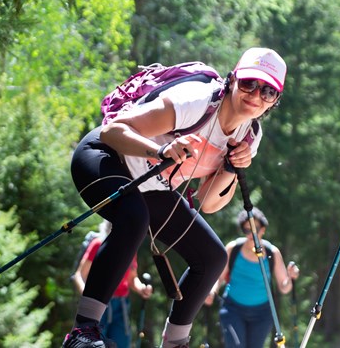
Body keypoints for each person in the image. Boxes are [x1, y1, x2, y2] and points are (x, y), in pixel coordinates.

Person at [63, 47, 287, 348]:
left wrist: (231, 168)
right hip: (104, 158)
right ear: (233, 79)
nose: (256, 95)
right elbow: (112, 131)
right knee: (134, 218)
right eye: (249, 83)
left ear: (274, 101)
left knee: (212, 257)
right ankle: (83, 332)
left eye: (268, 91)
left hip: (150, 187)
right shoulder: (196, 101)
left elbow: (208, 202)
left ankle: (175, 343)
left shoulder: (249, 136)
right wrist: (160, 151)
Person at [205, 208, 299, 348]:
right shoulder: (233, 249)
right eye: (246, 230)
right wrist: (212, 291)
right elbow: (219, 278)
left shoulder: (272, 253)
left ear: (263, 229)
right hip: (233, 309)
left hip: (262, 314)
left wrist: (291, 278)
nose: (251, 234)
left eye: (255, 229)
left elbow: (284, 288)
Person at [72, 220, 154, 348]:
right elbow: (79, 275)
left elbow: (132, 278)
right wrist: (88, 299)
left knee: (121, 344)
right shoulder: (98, 244)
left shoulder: (131, 248)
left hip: (121, 305)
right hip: (98, 303)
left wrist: (142, 288)